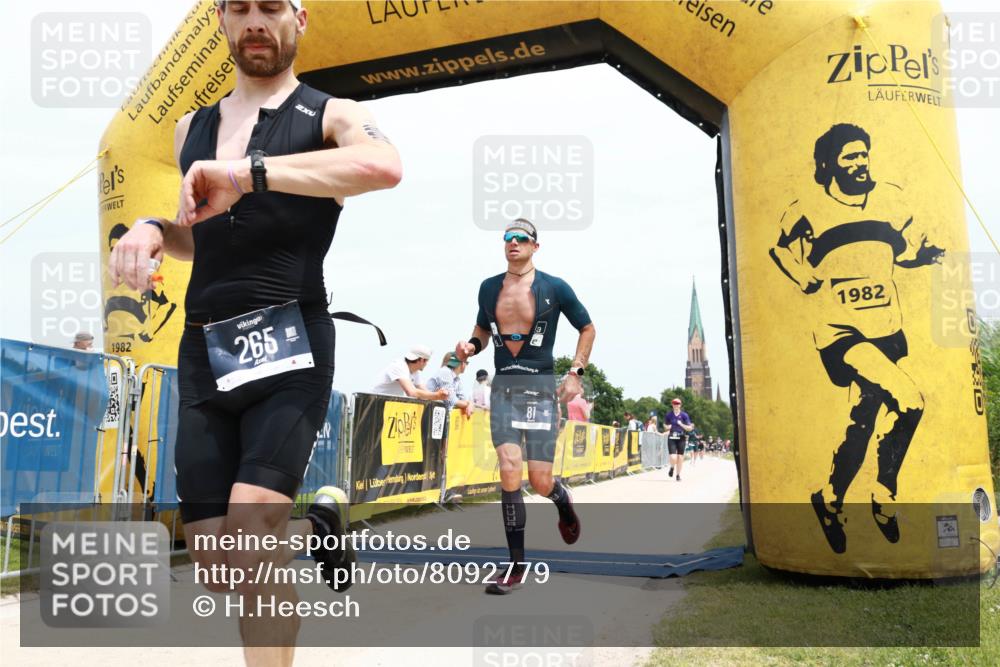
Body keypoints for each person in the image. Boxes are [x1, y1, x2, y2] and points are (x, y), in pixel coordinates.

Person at [106, 2, 403, 663]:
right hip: (206, 352)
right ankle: (319, 518)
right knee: (218, 563)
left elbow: (383, 166)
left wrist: (249, 173)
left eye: (270, 6)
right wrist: (156, 230)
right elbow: (197, 235)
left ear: (301, 18)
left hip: (291, 340)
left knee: (252, 531)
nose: (255, 21)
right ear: (221, 20)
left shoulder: (332, 114)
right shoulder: (191, 128)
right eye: (239, 8)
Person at [770, 123, 941, 554]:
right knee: (911, 399)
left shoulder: (891, 199)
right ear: (828, 164)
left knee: (860, 424)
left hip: (886, 326)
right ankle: (884, 496)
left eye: (863, 154)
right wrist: (802, 274)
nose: (860, 162)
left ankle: (828, 500)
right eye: (849, 156)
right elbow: (780, 248)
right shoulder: (808, 206)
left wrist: (921, 257)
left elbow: (899, 254)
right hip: (840, 332)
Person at [454, 217, 596, 595]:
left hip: (539, 388)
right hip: (504, 388)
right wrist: (470, 347)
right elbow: (483, 330)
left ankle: (561, 500)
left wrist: (576, 371)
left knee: (540, 480)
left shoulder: (555, 287)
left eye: (521, 238)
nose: (513, 243)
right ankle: (516, 566)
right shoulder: (488, 288)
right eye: (507, 238)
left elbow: (587, 327)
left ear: (536, 246)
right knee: (509, 468)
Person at [372, 345, 450, 401]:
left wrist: (440, 395)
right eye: (427, 361)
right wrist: (437, 395)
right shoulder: (399, 366)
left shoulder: (415, 371)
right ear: (422, 360)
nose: (427, 364)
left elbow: (425, 392)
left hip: (387, 406)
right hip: (375, 404)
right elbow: (411, 392)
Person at [426, 352, 474, 417]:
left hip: (436, 413)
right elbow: (451, 400)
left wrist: (469, 403)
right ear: (462, 363)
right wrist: (468, 404)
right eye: (466, 363)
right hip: (428, 411)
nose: (466, 365)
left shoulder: (456, 378)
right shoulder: (445, 372)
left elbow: (462, 398)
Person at [664, 398, 694, 481]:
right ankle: (672, 467)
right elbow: (665, 425)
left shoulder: (684, 415)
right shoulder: (669, 415)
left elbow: (690, 428)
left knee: (680, 457)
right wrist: (667, 427)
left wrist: (681, 425)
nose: (676, 405)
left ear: (680, 405)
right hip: (672, 437)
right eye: (674, 403)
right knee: (673, 457)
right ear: (672, 405)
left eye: (677, 403)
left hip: (681, 438)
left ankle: (678, 475)